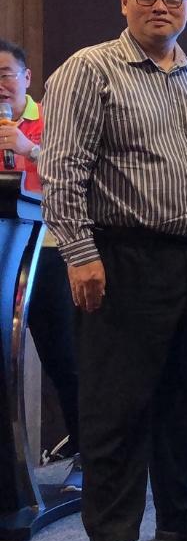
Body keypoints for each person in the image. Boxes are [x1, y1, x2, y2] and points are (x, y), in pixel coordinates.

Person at [41, 0, 187, 541]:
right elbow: (62, 169)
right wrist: (80, 254)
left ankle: (182, 515)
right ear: (123, 1)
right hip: (119, 257)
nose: (161, 6)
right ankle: (113, 538)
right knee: (119, 404)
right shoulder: (89, 68)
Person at [0, 38, 80, 484]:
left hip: (47, 253)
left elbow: (77, 176)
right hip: (0, 250)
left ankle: (87, 453)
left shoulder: (52, 118)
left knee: (64, 357)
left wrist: (29, 149)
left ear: (27, 78)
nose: (0, 84)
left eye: (6, 73)